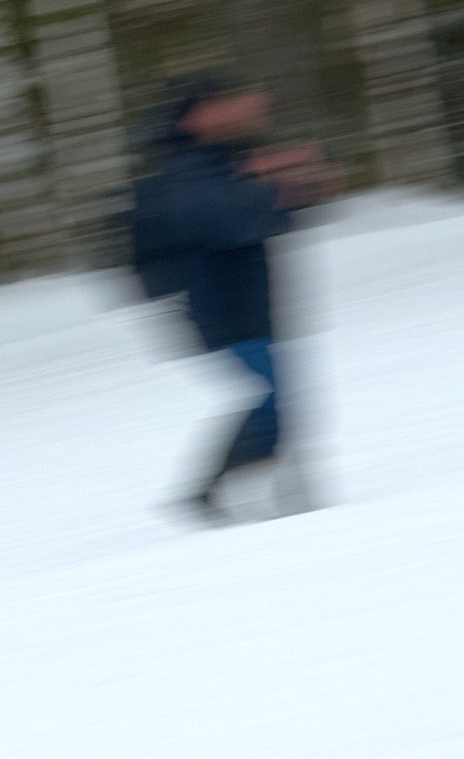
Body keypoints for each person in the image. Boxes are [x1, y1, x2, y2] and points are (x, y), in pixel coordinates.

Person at [129, 72, 334, 523]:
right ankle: (208, 496)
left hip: (250, 303)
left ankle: (259, 496)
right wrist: (275, 185)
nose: (242, 108)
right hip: (219, 310)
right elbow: (224, 221)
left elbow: (273, 217)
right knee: (268, 399)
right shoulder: (183, 173)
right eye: (224, 102)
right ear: (195, 116)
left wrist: (288, 185)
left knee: (278, 399)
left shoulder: (220, 163)